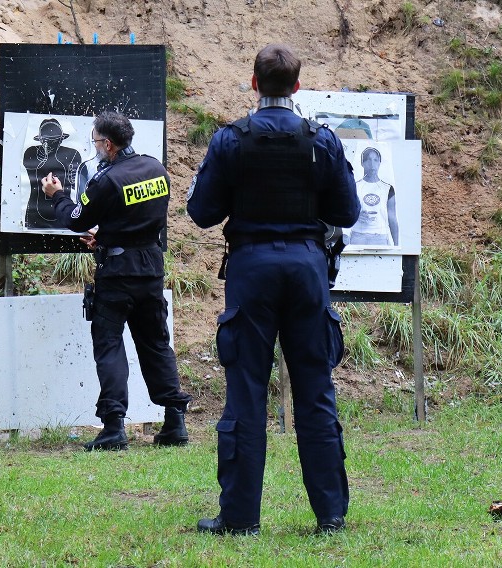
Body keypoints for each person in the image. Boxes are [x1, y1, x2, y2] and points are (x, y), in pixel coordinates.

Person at [187, 44, 360, 535]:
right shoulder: (319, 140)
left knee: (245, 393)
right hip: (307, 269)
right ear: (297, 86)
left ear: (253, 82)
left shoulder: (231, 139)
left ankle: (240, 518)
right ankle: (331, 515)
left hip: (251, 269)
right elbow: (346, 213)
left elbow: (201, 213)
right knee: (315, 390)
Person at [41, 110, 192, 451]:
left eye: (95, 141)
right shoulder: (156, 168)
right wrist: (108, 235)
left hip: (118, 273)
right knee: (155, 343)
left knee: (109, 345)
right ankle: (174, 420)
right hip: (151, 265)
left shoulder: (107, 181)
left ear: (108, 144)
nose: (93, 147)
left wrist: (57, 196)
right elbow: (139, 217)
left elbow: (77, 220)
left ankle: (113, 426)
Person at [23, 118, 82, 230]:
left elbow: (74, 181)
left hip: (64, 211)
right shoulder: (31, 152)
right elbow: (29, 167)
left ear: (60, 140)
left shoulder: (72, 154)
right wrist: (43, 159)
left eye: (53, 140)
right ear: (40, 140)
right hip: (36, 212)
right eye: (46, 141)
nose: (49, 144)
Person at [348, 147, 399, 247]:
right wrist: (356, 216)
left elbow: (392, 217)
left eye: (375, 160)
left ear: (379, 163)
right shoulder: (354, 186)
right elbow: (346, 211)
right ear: (362, 163)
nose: (372, 164)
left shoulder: (387, 188)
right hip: (358, 237)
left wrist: (396, 246)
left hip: (380, 238)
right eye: (368, 160)